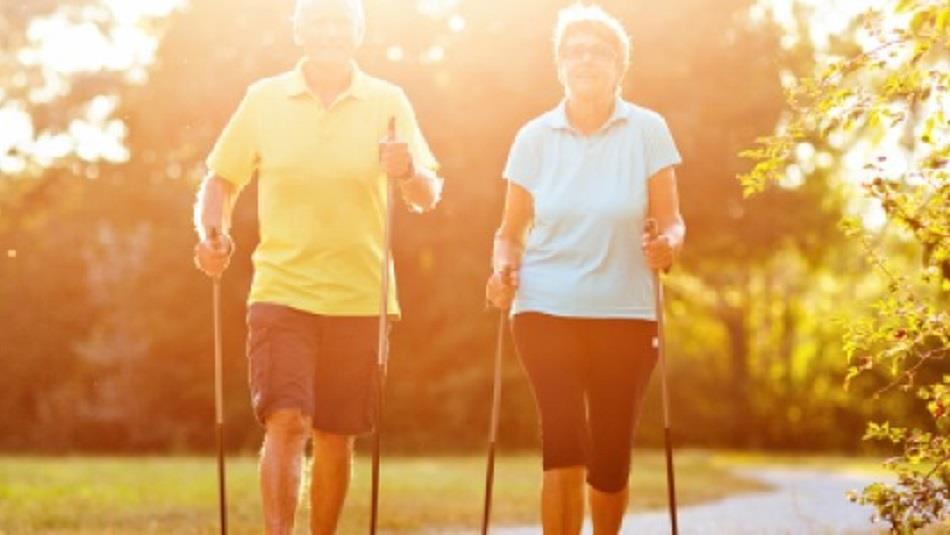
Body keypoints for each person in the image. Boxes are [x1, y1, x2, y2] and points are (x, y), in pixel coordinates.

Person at [192, 0, 442, 532]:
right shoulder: (264, 99)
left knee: (335, 433)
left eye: (341, 22)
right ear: (299, 32)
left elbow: (426, 193)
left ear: (358, 33)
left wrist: (408, 170)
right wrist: (212, 231)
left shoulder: (388, 101)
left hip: (360, 293)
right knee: (287, 419)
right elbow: (221, 179)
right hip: (283, 289)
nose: (330, 32)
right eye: (318, 21)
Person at [485, 3, 685, 533]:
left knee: (611, 456)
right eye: (574, 51)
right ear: (559, 65)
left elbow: (673, 221)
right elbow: (508, 234)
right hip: (545, 307)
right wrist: (502, 270)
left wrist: (667, 245)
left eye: (599, 51)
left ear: (619, 65)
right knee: (564, 444)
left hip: (626, 309)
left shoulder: (648, 130)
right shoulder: (533, 137)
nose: (586, 60)